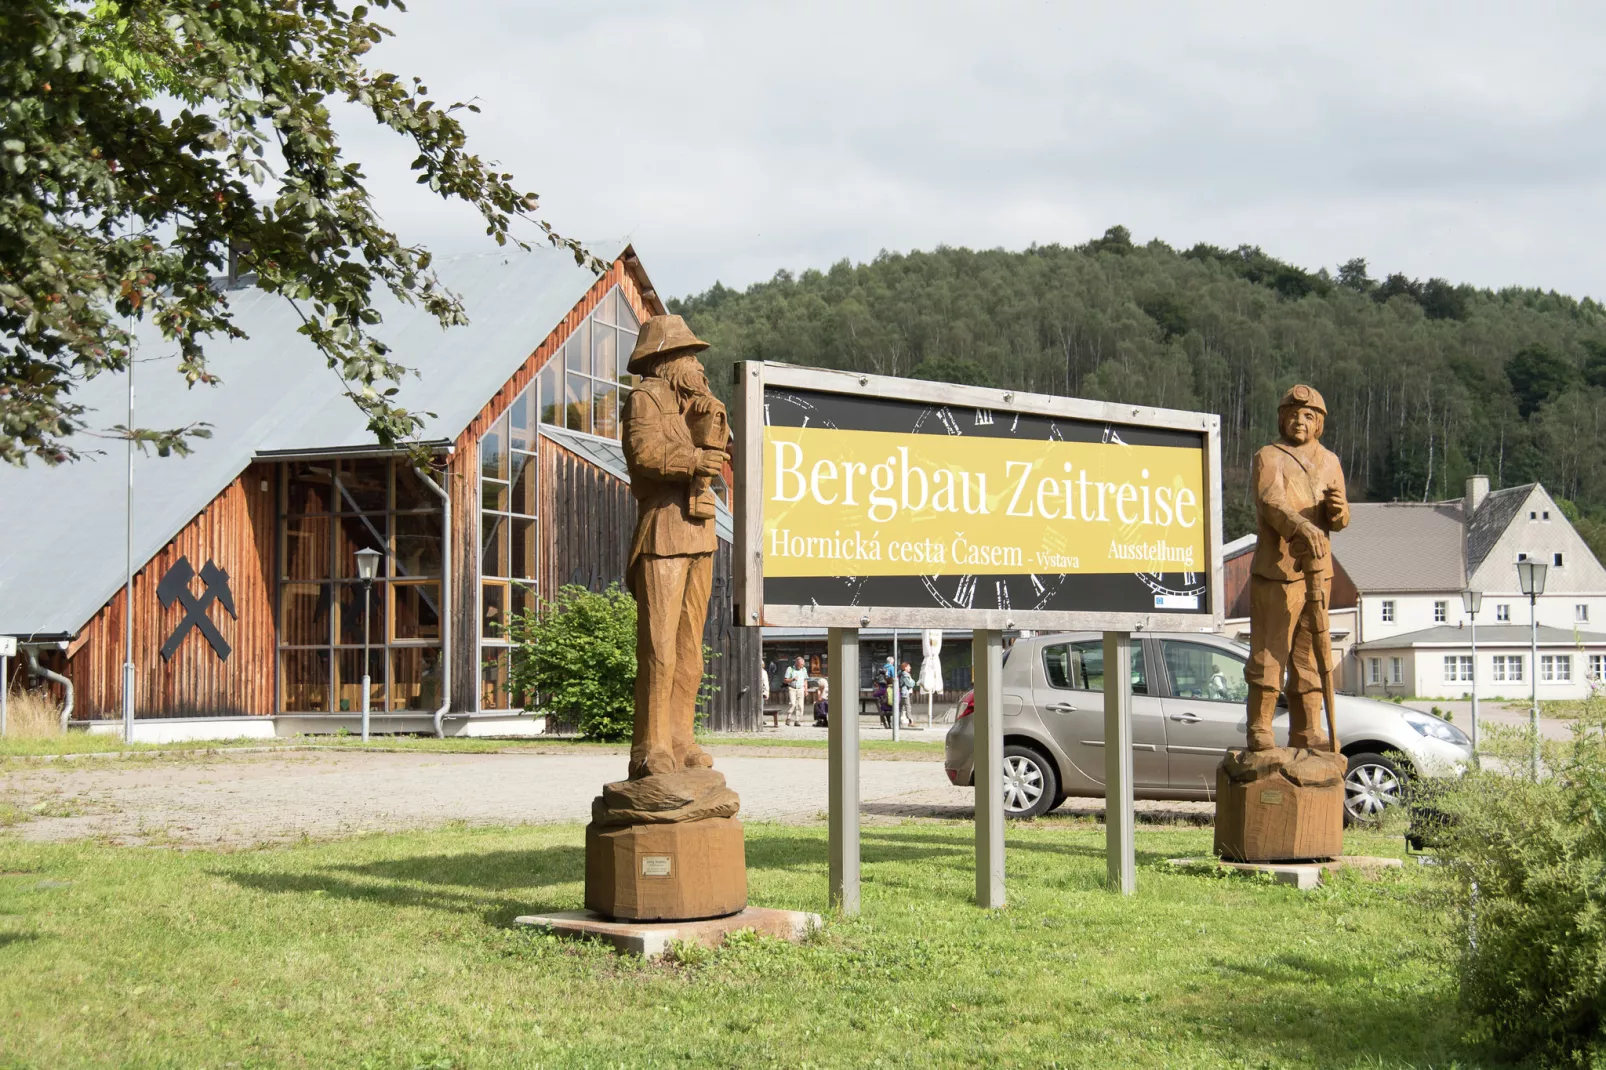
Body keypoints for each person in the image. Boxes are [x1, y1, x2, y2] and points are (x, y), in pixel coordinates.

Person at [621, 315, 729, 778]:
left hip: (699, 531)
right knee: (659, 645)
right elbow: (643, 453)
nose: (696, 365)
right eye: (687, 356)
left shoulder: (695, 403)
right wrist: (694, 460)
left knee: (690, 648)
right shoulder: (644, 398)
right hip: (663, 532)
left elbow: (716, 448)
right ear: (665, 360)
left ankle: (681, 738)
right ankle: (651, 745)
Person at [1245, 383, 1349, 750]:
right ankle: (1260, 727)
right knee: (1269, 653)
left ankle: (1308, 732)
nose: (1299, 421)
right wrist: (1301, 526)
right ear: (1281, 419)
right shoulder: (1268, 456)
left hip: (1318, 572)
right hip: (1278, 571)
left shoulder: (1330, 460)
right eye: (1292, 414)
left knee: (1309, 654)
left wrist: (1338, 512)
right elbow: (1271, 503)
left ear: (1319, 422)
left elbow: (1339, 520)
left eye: (1308, 415)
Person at [783, 655, 808, 727]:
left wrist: (806, 690)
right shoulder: (790, 669)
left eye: (803, 664)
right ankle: (788, 718)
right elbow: (785, 680)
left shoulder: (804, 669)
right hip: (792, 688)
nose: (802, 666)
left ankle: (797, 720)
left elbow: (805, 680)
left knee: (800, 706)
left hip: (801, 688)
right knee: (793, 704)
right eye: (801, 665)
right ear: (797, 663)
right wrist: (792, 679)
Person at [898, 662, 917, 728]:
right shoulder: (905, 675)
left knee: (901, 708)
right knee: (907, 707)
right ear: (905, 668)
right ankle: (911, 721)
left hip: (903, 693)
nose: (910, 667)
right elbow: (910, 684)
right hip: (905, 693)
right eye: (909, 666)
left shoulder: (903, 674)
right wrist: (913, 682)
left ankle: (898, 722)